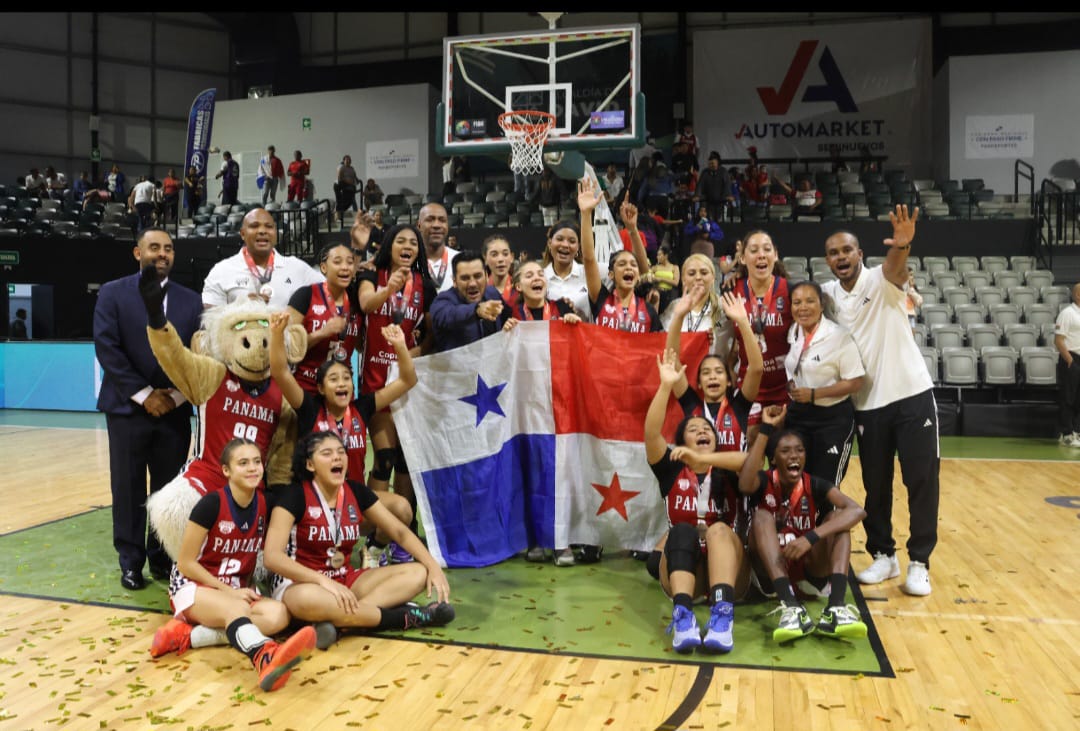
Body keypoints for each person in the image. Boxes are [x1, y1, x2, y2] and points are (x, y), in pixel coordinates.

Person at [820, 206, 939, 596]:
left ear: (859, 254)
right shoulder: (828, 298)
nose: (841, 257)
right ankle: (884, 555)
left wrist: (903, 243)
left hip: (911, 395)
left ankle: (919, 561)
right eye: (834, 253)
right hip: (866, 404)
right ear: (828, 260)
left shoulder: (880, 278)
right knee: (876, 486)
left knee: (921, 480)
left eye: (847, 250)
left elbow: (896, 267)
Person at [148, 439, 319, 693]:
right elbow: (185, 562)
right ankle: (264, 655)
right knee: (238, 607)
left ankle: (188, 636)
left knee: (279, 615)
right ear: (226, 471)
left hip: (234, 590)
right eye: (243, 463)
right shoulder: (210, 504)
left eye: (257, 462)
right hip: (194, 585)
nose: (252, 468)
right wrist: (226, 590)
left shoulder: (263, 503)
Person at [263, 431, 455, 644]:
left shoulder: (355, 491)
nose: (337, 457)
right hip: (301, 583)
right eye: (327, 453)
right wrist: (321, 580)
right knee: (305, 599)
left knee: (418, 573)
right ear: (310, 465)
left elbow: (399, 531)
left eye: (341, 452)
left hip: (345, 579)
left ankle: (341, 622)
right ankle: (403, 617)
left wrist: (433, 565)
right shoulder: (293, 496)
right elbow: (271, 557)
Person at [93, 227, 203, 590]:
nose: (162, 254)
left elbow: (195, 356)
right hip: (127, 409)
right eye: (154, 247)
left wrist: (174, 396)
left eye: (168, 248)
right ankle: (130, 561)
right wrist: (144, 394)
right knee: (126, 488)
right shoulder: (112, 293)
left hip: (173, 409)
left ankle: (161, 557)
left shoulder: (191, 300)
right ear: (137, 253)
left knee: (169, 489)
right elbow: (108, 349)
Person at [269, 312, 418, 566]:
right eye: (333, 379)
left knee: (403, 509)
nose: (342, 384)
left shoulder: (362, 407)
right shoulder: (309, 408)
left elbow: (407, 380)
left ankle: (371, 549)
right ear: (320, 388)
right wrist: (275, 334)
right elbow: (281, 372)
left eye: (347, 378)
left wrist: (400, 346)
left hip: (353, 499)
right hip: (315, 502)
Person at [645, 348, 750, 653]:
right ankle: (683, 618)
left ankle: (722, 618)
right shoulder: (671, 470)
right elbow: (651, 434)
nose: (702, 430)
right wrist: (666, 386)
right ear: (681, 443)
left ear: (716, 441)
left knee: (718, 530)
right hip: (684, 570)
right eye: (693, 429)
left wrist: (706, 458)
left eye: (707, 429)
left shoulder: (728, 471)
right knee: (682, 530)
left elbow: (748, 461)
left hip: (729, 574)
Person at [739, 405, 869, 643]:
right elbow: (744, 483)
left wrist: (811, 537)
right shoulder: (762, 481)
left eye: (799, 450)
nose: (794, 456)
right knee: (762, 516)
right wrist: (766, 429)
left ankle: (836, 608)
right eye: (785, 451)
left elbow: (857, 510)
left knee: (837, 520)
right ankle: (789, 606)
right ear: (773, 459)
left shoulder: (815, 484)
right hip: (769, 575)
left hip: (807, 572)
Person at [356, 221, 436, 505]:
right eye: (401, 241)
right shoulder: (370, 274)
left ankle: (404, 537)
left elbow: (430, 336)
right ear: (389, 245)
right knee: (384, 458)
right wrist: (389, 288)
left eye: (414, 243)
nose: (408, 247)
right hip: (375, 381)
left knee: (405, 460)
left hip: (407, 382)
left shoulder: (425, 284)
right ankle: (376, 529)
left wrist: (410, 354)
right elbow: (366, 304)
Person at [783, 280, 865, 486]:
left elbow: (855, 382)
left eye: (810, 301)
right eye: (797, 302)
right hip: (799, 415)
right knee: (797, 482)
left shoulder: (839, 337)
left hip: (833, 419)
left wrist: (814, 394)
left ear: (821, 304)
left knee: (825, 486)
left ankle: (828, 519)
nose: (802, 307)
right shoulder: (794, 331)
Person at [667, 287, 763, 455]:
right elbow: (672, 359)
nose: (712, 376)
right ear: (698, 383)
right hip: (700, 480)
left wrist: (742, 321)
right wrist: (678, 316)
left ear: (728, 380)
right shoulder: (691, 405)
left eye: (719, 371)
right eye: (706, 373)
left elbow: (756, 368)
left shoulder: (739, 406)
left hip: (734, 480)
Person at [202, 207, 325, 310]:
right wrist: (240, 310)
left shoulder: (297, 267)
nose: (262, 231)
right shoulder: (221, 271)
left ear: (275, 233)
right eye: (254, 226)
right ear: (243, 234)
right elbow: (211, 322)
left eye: (269, 226)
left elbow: (331, 293)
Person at [580, 177, 660, 334]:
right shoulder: (601, 298)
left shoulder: (648, 309)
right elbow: (589, 259)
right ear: (610, 274)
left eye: (632, 265)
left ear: (638, 275)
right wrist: (586, 214)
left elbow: (656, 347)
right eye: (622, 264)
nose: (629, 267)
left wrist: (632, 229)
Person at [728, 230, 793, 421]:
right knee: (749, 442)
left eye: (767, 249)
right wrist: (728, 366)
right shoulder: (732, 290)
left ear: (776, 255)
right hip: (748, 387)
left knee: (784, 448)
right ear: (742, 258)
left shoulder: (790, 291)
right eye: (754, 250)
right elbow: (725, 336)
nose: (761, 255)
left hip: (785, 387)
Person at [286, 243, 362, 394]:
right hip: (307, 389)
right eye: (337, 261)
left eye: (350, 262)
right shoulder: (305, 295)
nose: (345, 267)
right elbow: (289, 347)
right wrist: (322, 332)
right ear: (324, 268)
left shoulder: (358, 302)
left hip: (342, 391)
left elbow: (360, 346)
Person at [430, 250, 509, 353]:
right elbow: (450, 315)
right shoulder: (442, 301)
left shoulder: (493, 294)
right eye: (465, 278)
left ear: (486, 276)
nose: (472, 284)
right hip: (456, 368)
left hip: (493, 366)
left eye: (477, 276)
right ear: (454, 281)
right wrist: (476, 310)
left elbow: (509, 318)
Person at [541, 218, 590, 321]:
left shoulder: (589, 274)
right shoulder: (541, 277)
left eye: (572, 241)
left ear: (578, 247)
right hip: (552, 335)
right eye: (559, 239)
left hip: (584, 334)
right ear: (550, 243)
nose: (565, 245)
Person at [1054, 283, 1080, 447]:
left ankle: (1077, 431)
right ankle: (1066, 434)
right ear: (1077, 295)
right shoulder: (1067, 313)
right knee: (1068, 398)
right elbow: (1058, 340)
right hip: (1071, 359)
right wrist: (1070, 361)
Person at [417, 202, 457, 293]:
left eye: (442, 220)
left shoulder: (461, 260)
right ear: (419, 225)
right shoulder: (409, 263)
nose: (436, 225)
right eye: (430, 219)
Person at [696, 154, 735, 223]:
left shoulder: (723, 171)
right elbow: (700, 185)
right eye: (709, 164)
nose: (711, 165)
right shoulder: (705, 172)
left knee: (721, 221)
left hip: (721, 201)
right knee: (709, 220)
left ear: (717, 163)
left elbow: (727, 184)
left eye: (713, 163)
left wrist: (728, 195)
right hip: (708, 201)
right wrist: (698, 196)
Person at [482, 234, 515, 305]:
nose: (500, 259)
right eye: (494, 255)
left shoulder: (521, 289)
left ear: (512, 257)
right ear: (485, 259)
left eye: (505, 254)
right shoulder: (480, 291)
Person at [650, 246, 679, 313]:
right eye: (657, 255)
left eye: (659, 255)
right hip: (656, 292)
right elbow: (648, 277)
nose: (657, 257)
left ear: (666, 256)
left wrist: (661, 279)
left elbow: (676, 282)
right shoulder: (655, 267)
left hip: (668, 294)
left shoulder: (674, 267)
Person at [335, 155, 359, 224]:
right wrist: (348, 182)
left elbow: (354, 176)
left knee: (350, 201)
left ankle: (340, 214)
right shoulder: (342, 167)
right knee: (340, 201)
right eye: (347, 160)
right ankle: (337, 216)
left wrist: (357, 180)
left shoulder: (351, 168)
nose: (349, 161)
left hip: (349, 187)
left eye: (350, 160)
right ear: (344, 161)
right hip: (340, 186)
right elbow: (340, 178)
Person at [905, 269, 923, 335]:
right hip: (901, 315)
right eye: (910, 275)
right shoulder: (899, 288)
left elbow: (919, 302)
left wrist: (911, 293)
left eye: (912, 275)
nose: (912, 277)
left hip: (910, 316)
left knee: (911, 336)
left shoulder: (913, 289)